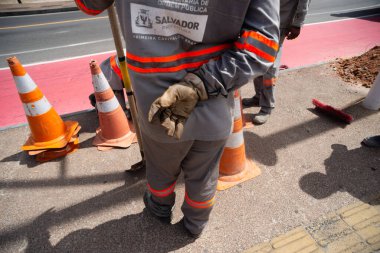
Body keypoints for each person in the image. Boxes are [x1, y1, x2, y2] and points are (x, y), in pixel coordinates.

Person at [75, 0, 279, 238]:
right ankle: (195, 225)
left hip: (158, 106)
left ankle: (159, 209)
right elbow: (262, 48)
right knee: (204, 175)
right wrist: (198, 85)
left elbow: (89, 5)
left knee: (161, 169)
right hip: (214, 105)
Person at [242, 0, 310, 125]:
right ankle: (258, 97)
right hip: (262, 19)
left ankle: (267, 107)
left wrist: (297, 22)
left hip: (280, 20)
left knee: (270, 67)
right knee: (257, 60)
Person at [89, 55, 132, 120]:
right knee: (120, 114)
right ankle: (100, 101)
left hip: (111, 70)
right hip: (108, 74)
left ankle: (99, 97)